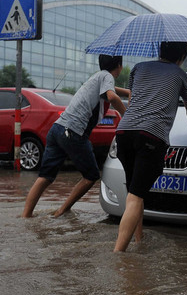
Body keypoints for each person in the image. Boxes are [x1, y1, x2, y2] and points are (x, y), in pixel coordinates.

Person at [113, 41, 187, 252]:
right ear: (183, 55)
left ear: (160, 51)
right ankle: (119, 255)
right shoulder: (181, 75)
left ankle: (139, 241)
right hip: (150, 136)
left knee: (135, 191)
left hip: (124, 133)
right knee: (136, 195)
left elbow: (134, 99)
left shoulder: (139, 67)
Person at [22, 54, 128, 218]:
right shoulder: (107, 76)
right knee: (91, 176)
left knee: (45, 176)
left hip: (57, 129)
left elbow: (112, 91)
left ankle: (26, 216)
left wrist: (128, 92)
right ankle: (61, 211)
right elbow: (112, 96)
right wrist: (126, 117)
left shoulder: (98, 77)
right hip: (73, 132)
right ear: (119, 65)